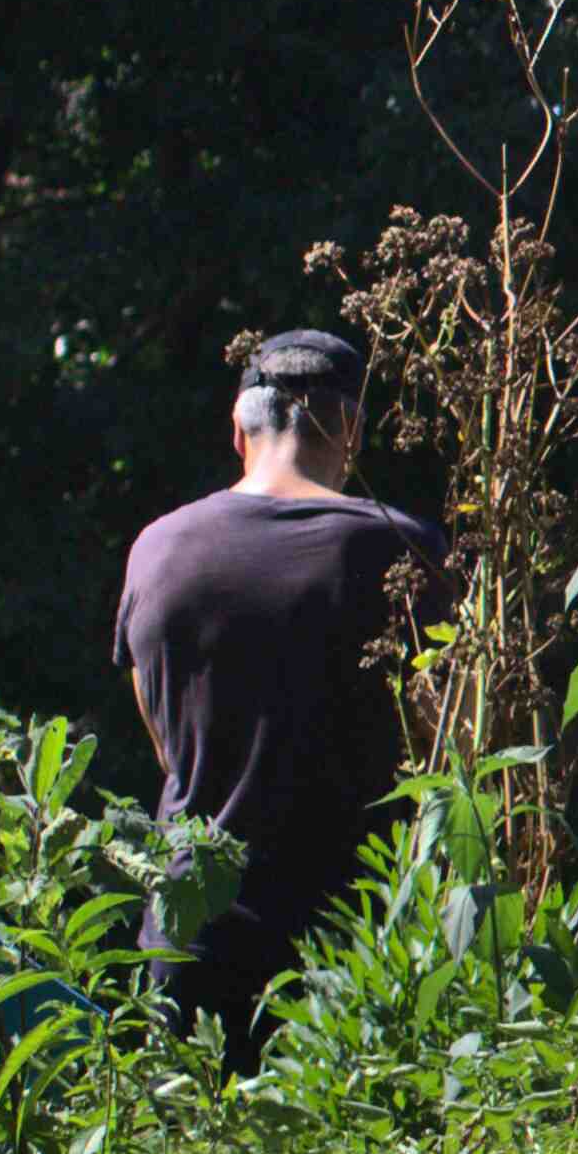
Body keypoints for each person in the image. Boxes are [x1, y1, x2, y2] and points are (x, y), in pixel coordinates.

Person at [111, 330, 440, 1069]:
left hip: (188, 937)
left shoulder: (158, 549)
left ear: (238, 428)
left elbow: (166, 742)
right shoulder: (401, 552)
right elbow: (453, 742)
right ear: (351, 430)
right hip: (351, 954)